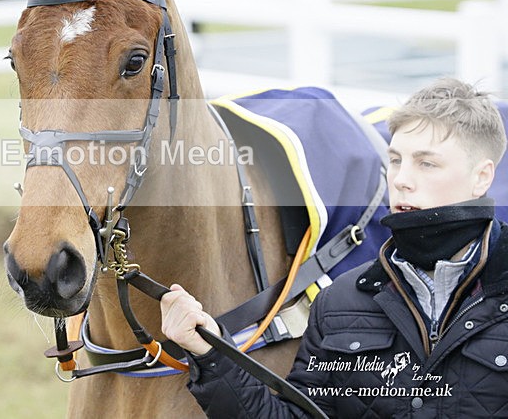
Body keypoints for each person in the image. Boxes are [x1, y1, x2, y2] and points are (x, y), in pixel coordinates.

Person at [161, 77, 508, 417]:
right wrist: (210, 352)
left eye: (426, 163)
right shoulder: (339, 302)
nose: (401, 179)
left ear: (482, 177)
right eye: (397, 160)